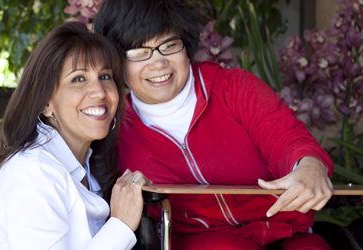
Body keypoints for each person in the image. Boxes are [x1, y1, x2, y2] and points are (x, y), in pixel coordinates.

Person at [93, 0, 334, 249]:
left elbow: (288, 139)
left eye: (169, 45)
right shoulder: (112, 127)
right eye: (139, 52)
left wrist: (309, 166)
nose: (158, 63)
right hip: (200, 241)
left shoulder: (234, 88)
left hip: (285, 231)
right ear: (117, 61)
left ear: (186, 46)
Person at [0, 21, 150, 250]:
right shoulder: (33, 174)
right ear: (46, 102)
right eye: (78, 79)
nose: (99, 91)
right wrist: (121, 225)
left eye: (105, 76)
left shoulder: (86, 167)